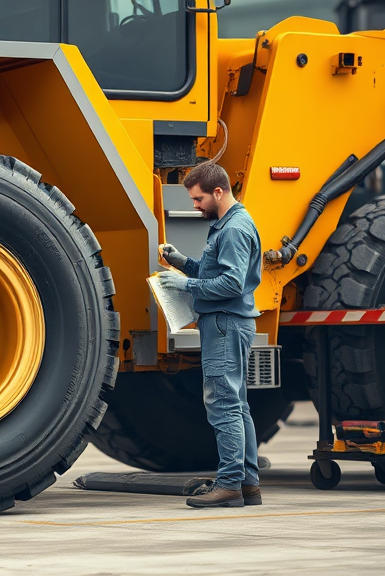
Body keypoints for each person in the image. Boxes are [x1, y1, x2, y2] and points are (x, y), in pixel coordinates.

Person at [156, 162, 263, 508]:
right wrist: (183, 263)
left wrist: (187, 285)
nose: (195, 206)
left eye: (198, 199)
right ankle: (247, 484)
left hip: (225, 323)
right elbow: (215, 272)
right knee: (238, 405)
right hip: (229, 322)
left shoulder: (233, 230)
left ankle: (229, 485)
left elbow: (231, 284)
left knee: (223, 405)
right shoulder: (228, 224)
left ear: (218, 192)